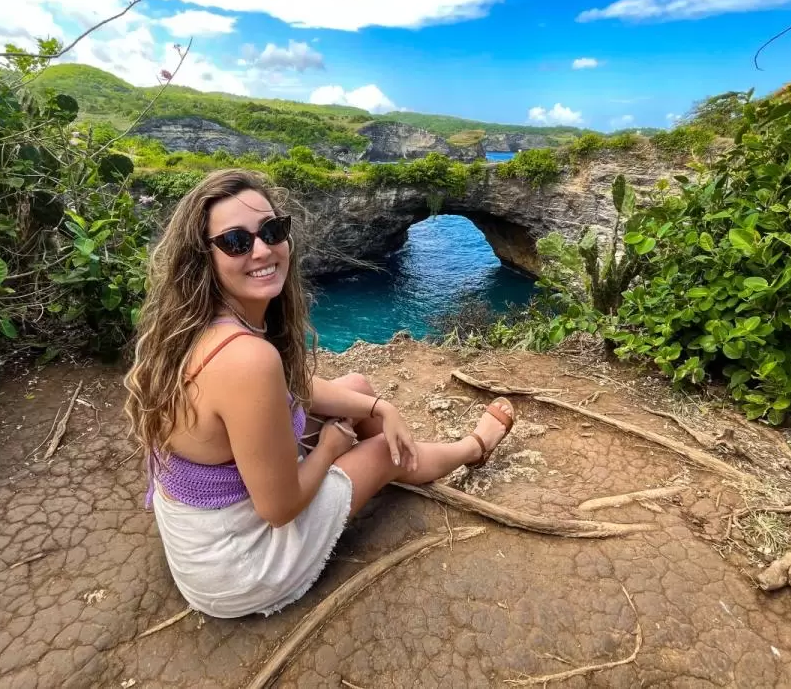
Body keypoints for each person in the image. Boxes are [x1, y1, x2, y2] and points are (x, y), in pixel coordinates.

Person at [124, 169, 517, 618]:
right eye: (235, 241)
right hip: (237, 567)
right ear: (204, 258)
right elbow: (279, 508)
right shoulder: (246, 360)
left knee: (357, 389)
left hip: (200, 537)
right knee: (377, 455)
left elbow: (288, 391)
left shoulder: (197, 324)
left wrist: (378, 406)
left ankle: (400, 446)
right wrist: (330, 449)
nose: (261, 249)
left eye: (272, 231)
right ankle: (474, 447)